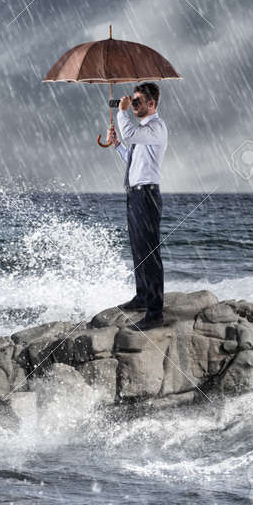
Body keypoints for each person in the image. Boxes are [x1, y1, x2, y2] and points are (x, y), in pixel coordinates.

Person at [105, 82, 167, 330]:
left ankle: (155, 312)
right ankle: (142, 297)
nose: (133, 105)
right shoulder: (143, 129)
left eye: (138, 101)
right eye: (133, 101)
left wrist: (121, 112)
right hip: (135, 195)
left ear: (152, 103)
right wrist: (118, 144)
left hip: (147, 196)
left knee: (150, 253)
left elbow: (130, 134)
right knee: (138, 249)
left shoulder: (156, 127)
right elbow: (133, 160)